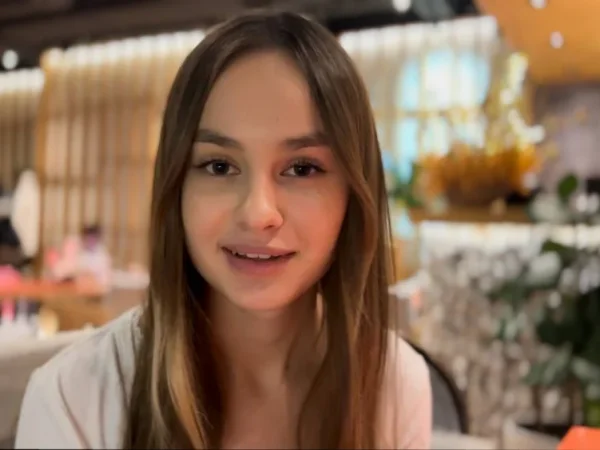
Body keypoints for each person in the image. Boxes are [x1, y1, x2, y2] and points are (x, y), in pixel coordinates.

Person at [15, 10, 431, 449]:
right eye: (219, 166)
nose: (258, 213)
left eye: (302, 168)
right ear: (177, 183)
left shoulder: (394, 385)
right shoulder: (73, 400)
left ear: (354, 191)